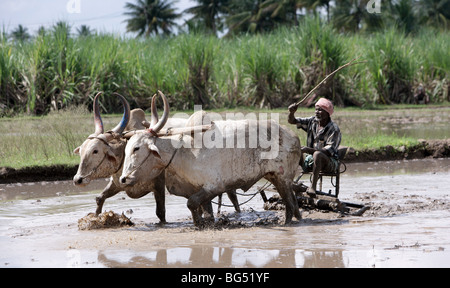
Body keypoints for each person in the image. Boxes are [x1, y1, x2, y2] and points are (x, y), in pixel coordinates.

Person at [288, 98, 342, 196]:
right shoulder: (312, 121)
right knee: (295, 149)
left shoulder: (334, 129)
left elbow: (328, 151)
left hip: (329, 163)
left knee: (317, 154)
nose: (317, 112)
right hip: (311, 159)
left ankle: (313, 187)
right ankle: (288, 182)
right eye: (316, 109)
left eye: (320, 110)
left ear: (327, 113)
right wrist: (292, 112)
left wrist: (309, 150)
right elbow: (292, 121)